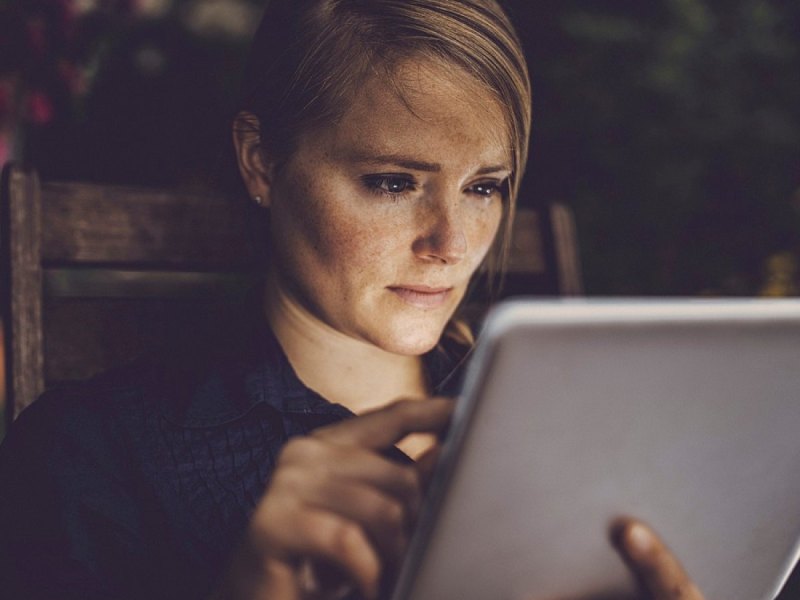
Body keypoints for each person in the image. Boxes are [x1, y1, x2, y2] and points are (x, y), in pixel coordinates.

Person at [0, 1, 704, 599]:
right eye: (393, 182)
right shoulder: (92, 457)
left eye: (484, 186)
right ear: (260, 161)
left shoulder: (583, 420)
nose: (451, 242)